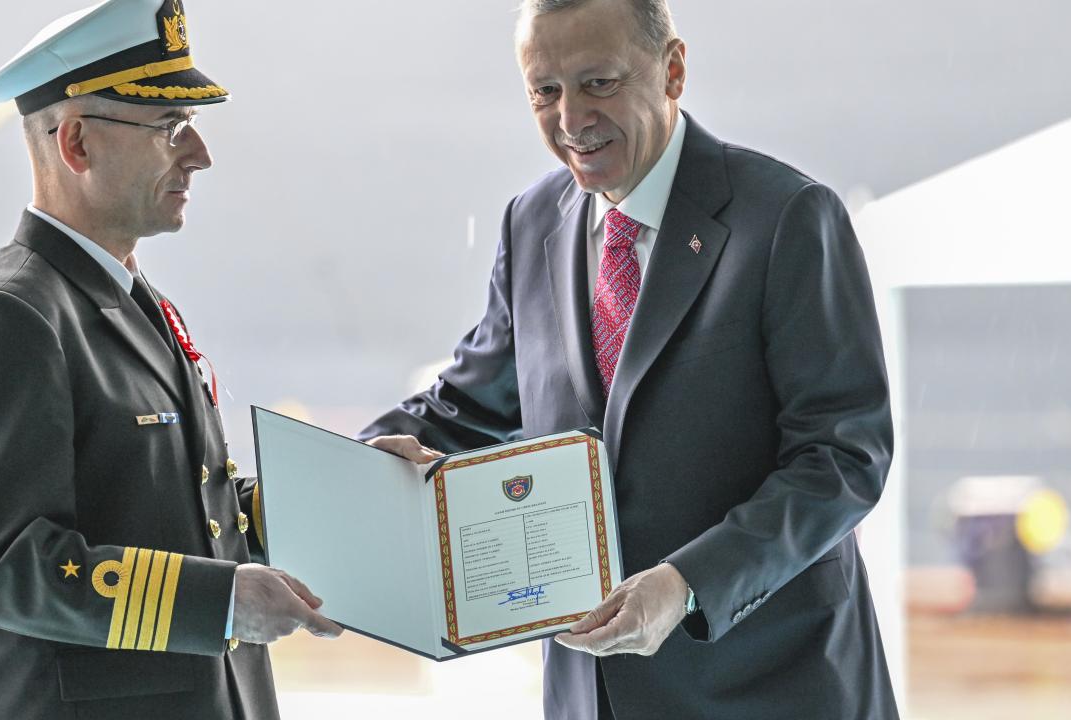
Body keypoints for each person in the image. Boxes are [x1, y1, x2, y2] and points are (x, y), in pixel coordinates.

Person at [362, 0, 898, 717]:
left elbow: (844, 457)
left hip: (771, 688)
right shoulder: (531, 222)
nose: (571, 119)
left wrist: (687, 583)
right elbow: (468, 405)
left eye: (599, 83)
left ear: (673, 70)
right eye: (545, 91)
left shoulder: (786, 218)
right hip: (592, 694)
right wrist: (341, 472)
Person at [0, 2, 340, 718]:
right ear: (77, 142)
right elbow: (4, 564)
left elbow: (180, 509)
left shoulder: (131, 301)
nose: (199, 153)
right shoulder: (11, 318)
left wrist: (347, 490)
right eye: (170, 126)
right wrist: (218, 602)